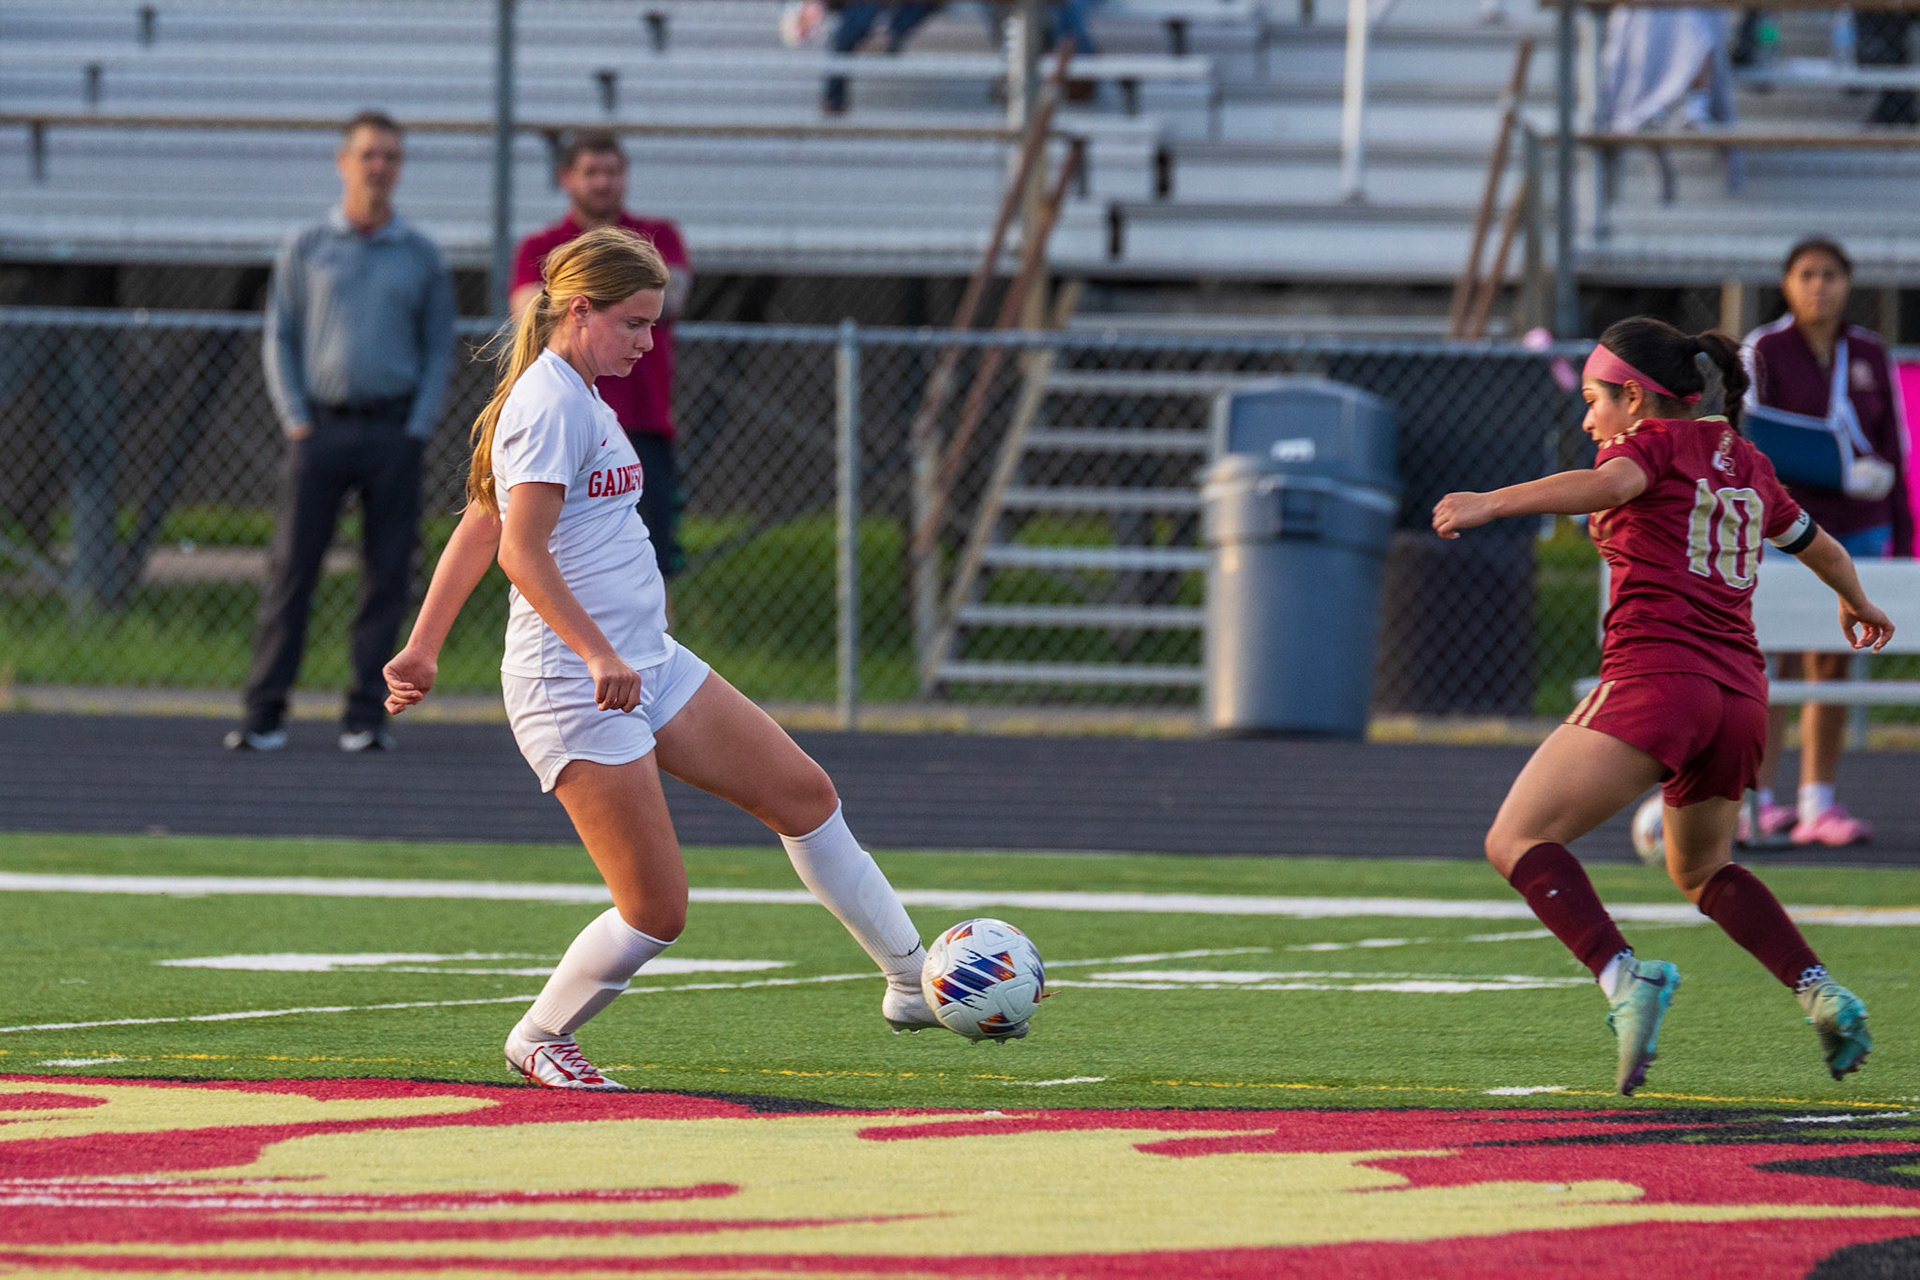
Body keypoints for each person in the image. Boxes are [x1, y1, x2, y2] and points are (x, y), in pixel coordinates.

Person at [382, 226, 997, 1091]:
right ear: (580, 310)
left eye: (654, 323)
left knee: (805, 795)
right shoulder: (549, 402)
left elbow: (482, 520)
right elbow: (518, 548)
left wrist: (422, 646)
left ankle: (907, 982)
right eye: (634, 323)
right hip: (576, 683)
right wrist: (596, 652)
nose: (648, 341)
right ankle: (541, 1036)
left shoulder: (580, 393)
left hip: (646, 664)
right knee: (656, 910)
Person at [1432, 316, 1888, 1095]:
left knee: (1516, 837)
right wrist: (1857, 602)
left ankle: (1624, 977)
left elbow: (1611, 486)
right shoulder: (1746, 460)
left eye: (1594, 401)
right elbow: (1825, 548)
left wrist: (1491, 503)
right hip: (1740, 699)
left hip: (1660, 680)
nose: (1588, 421)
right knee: (1704, 867)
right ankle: (1820, 990)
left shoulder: (1648, 446)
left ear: (1637, 399)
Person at [228, 110, 456, 754]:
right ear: (343, 162)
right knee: (291, 572)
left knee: (387, 577)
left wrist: (418, 425)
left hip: (393, 433)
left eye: (390, 156)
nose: (378, 166)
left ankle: (366, 715)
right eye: (367, 155)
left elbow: (439, 346)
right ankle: (265, 714)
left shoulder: (421, 255)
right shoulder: (306, 246)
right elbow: (281, 335)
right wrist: (296, 418)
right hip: (321, 430)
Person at [1743, 237, 1912, 846]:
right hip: (1787, 529)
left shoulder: (1868, 350)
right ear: (1787, 283)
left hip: (1860, 528)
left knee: (1833, 659)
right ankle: (1759, 800)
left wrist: (1902, 533)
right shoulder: (1764, 349)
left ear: (1848, 283)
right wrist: (1835, 471)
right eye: (1808, 274)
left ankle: (1819, 803)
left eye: (1832, 274)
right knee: (1771, 659)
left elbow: (1893, 445)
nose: (1820, 286)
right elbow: (1753, 441)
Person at [511, 130, 691, 578]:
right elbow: (531, 314)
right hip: (567, 424)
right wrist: (618, 281)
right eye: (591, 172)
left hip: (642, 424)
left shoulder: (659, 235)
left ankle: (650, 630)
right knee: (562, 559)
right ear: (565, 178)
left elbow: (673, 296)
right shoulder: (539, 246)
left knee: (650, 567)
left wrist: (584, 286)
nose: (603, 182)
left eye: (612, 172)